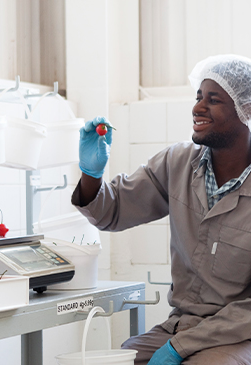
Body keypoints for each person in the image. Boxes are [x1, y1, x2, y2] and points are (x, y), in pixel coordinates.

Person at [71, 54, 251, 364]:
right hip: (181, 324)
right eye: (198, 97)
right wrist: (92, 174)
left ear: (245, 111)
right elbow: (112, 211)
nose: (197, 107)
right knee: (120, 360)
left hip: (237, 334)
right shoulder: (178, 162)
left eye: (214, 99)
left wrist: (179, 349)